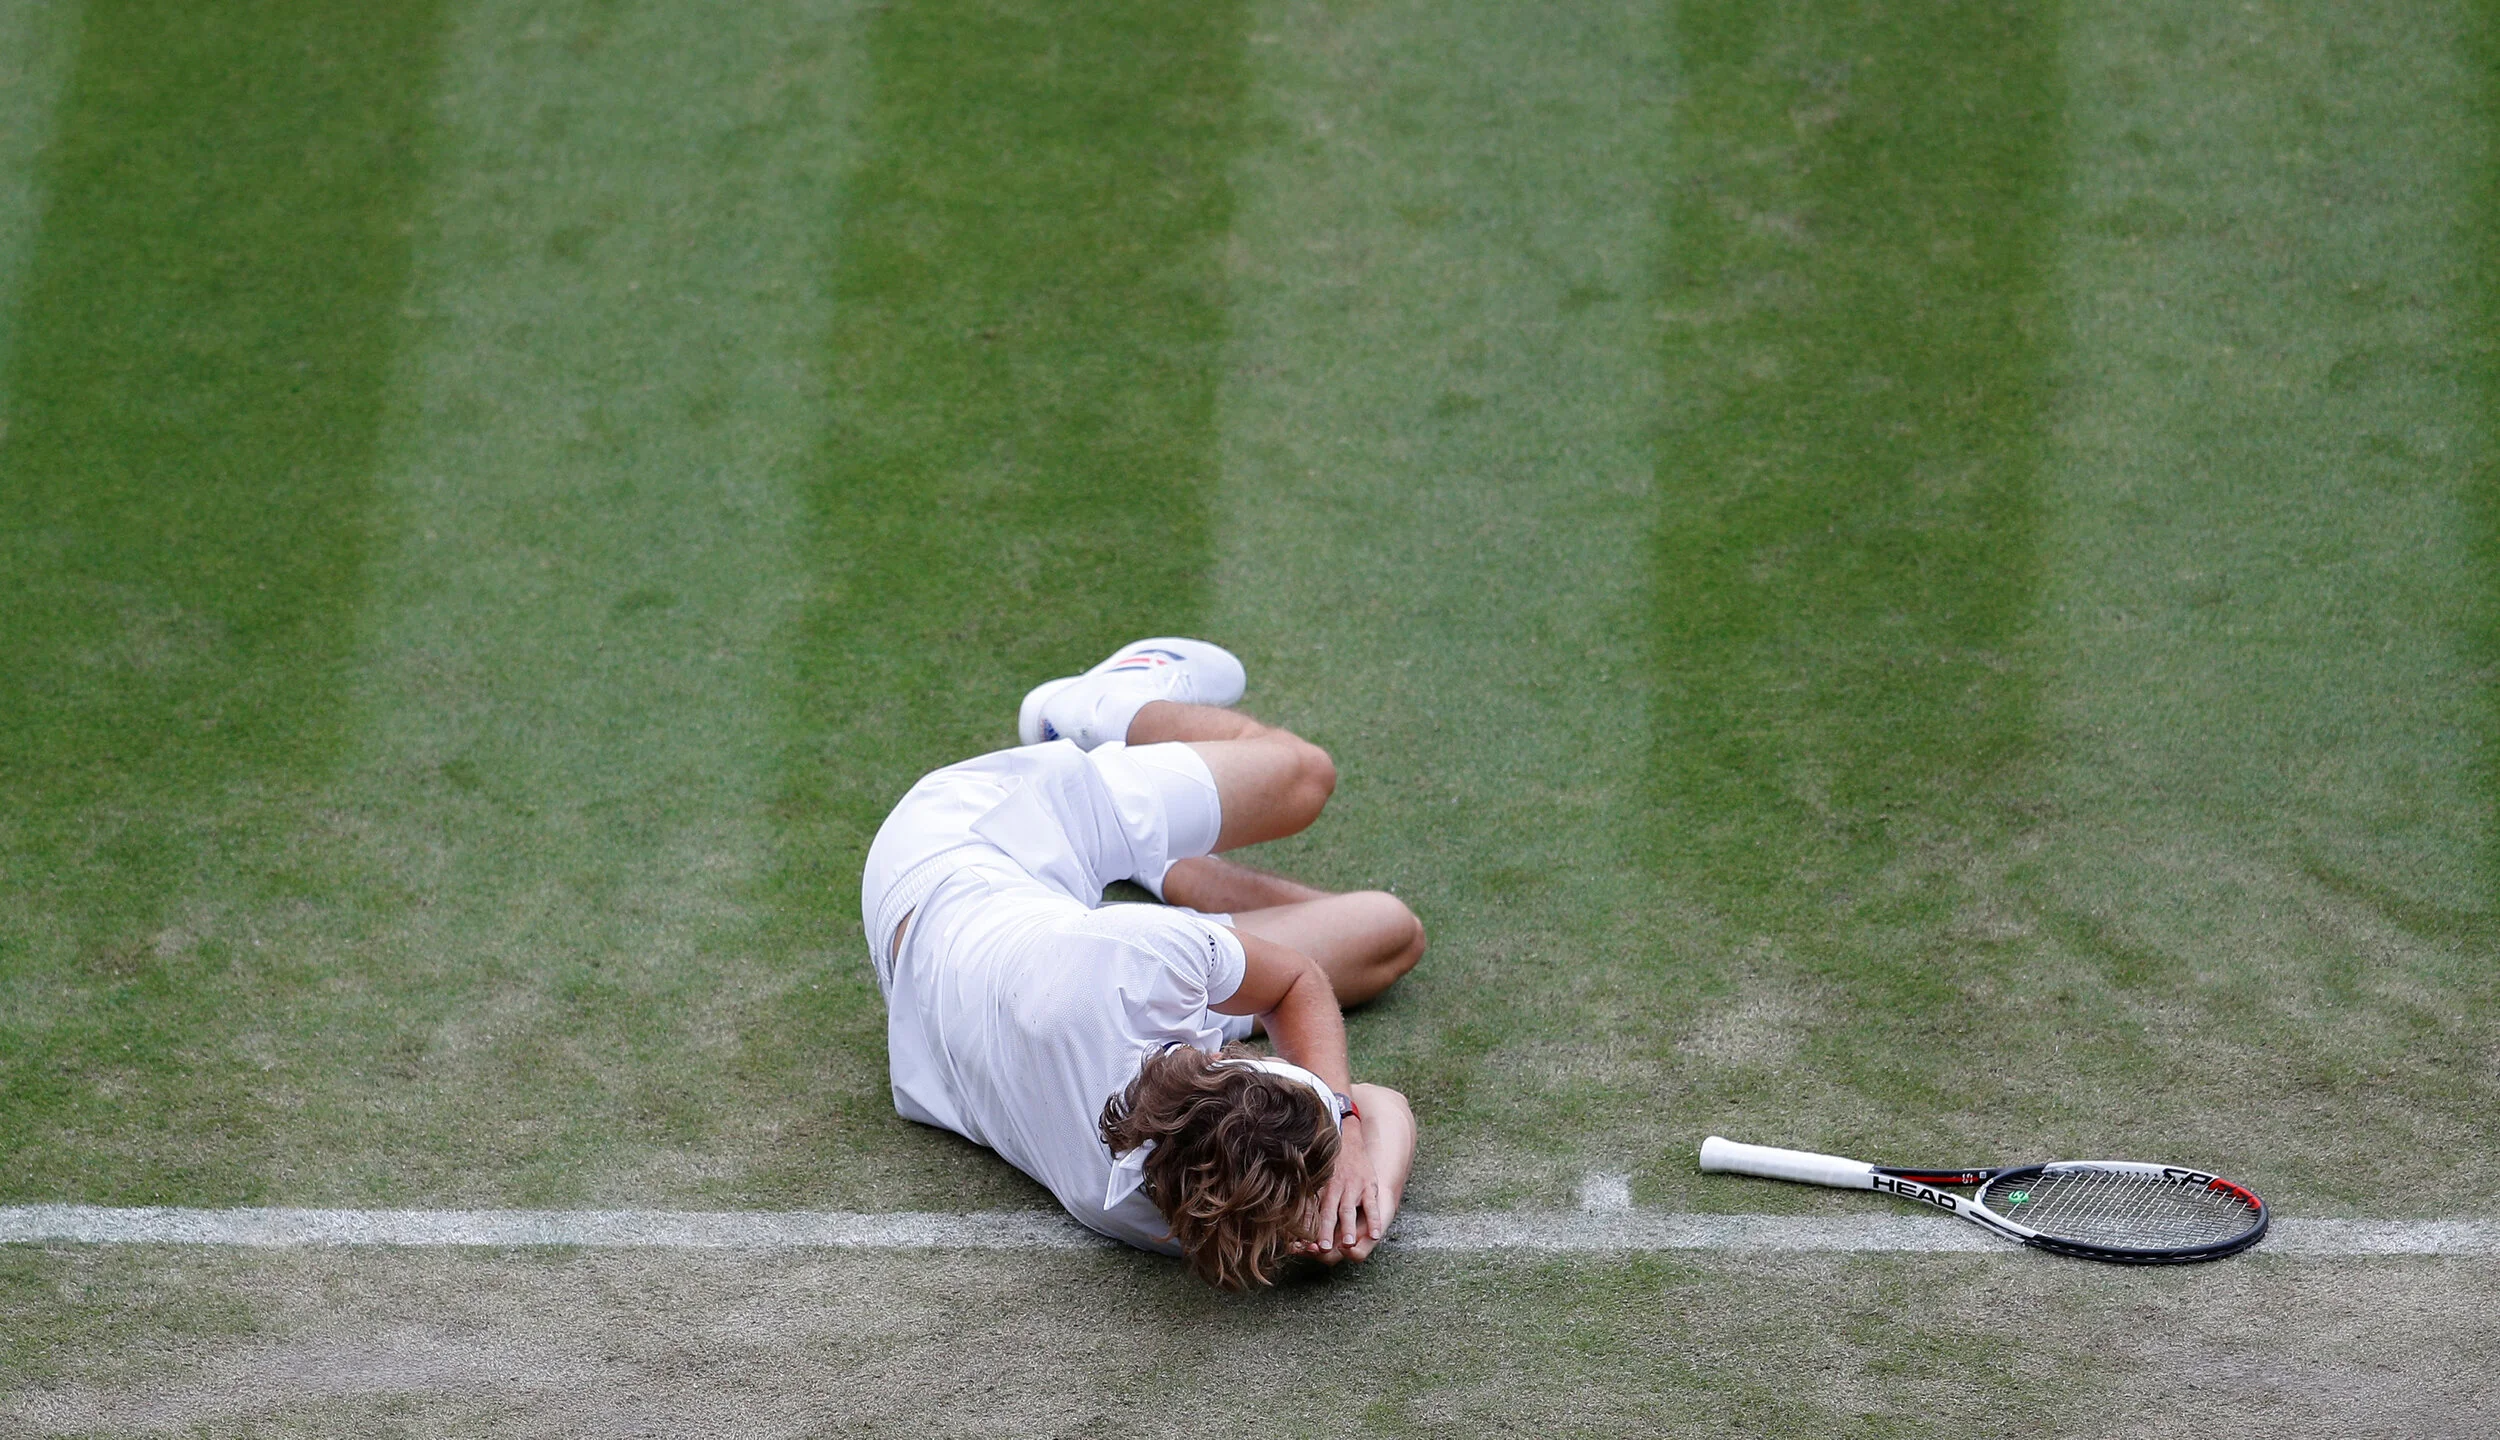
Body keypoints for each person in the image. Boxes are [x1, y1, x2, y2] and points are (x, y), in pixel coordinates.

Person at [859, 637, 1422, 1287]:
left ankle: (1091, 707)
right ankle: (1163, 841)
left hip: (952, 847)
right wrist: (1357, 1192)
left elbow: (1298, 986)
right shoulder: (1175, 1211)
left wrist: (1346, 1132)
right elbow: (1387, 1104)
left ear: (1215, 1064)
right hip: (951, 961)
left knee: (1302, 778)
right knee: (1391, 932)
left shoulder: (1133, 961)